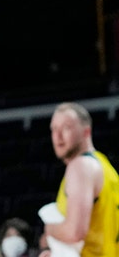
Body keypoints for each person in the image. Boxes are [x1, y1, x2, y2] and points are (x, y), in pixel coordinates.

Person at [42, 102, 119, 257]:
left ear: (86, 131)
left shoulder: (80, 166)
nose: (58, 136)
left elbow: (74, 232)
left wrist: (49, 229)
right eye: (54, 129)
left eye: (66, 128)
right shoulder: (105, 167)